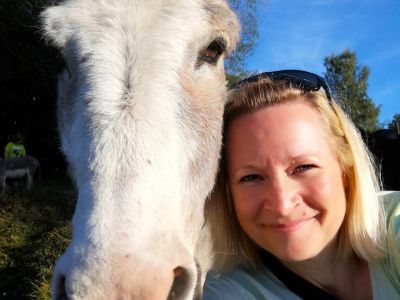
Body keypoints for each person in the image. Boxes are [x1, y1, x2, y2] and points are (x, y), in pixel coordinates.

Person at [203, 70, 400, 299]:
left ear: (346, 169)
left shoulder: (394, 224)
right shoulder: (230, 291)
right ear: (228, 194)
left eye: (303, 167)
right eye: (251, 178)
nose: (282, 204)